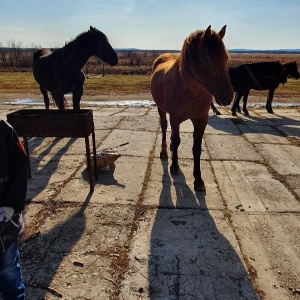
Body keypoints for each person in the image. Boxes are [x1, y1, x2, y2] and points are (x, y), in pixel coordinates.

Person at [0, 120, 28, 300]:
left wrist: (11, 204)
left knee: (8, 269)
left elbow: (20, 167)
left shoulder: (4, 131)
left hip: (5, 226)